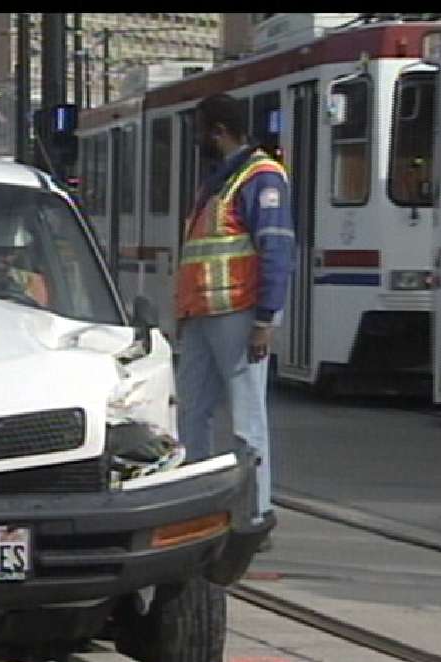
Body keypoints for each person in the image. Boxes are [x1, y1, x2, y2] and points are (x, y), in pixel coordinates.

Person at [175, 93, 295, 541]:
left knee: (247, 419)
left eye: (199, 131)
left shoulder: (260, 177)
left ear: (218, 131)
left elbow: (277, 247)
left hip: (239, 314)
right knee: (192, 413)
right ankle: (195, 508)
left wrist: (266, 318)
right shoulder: (219, 181)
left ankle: (254, 513)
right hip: (204, 313)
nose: (196, 140)